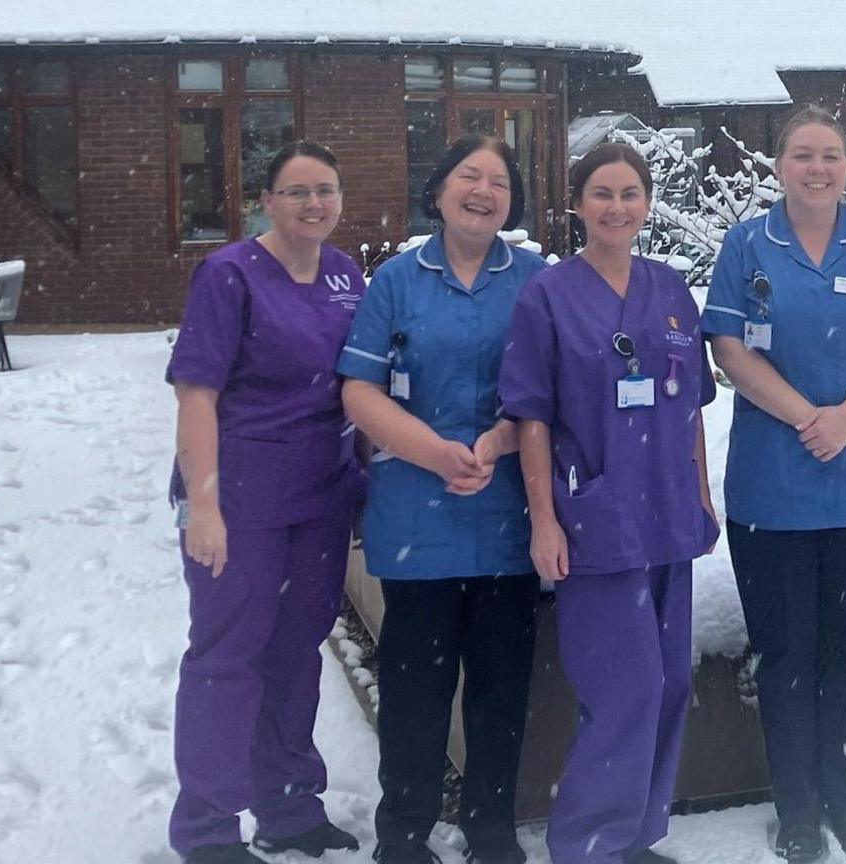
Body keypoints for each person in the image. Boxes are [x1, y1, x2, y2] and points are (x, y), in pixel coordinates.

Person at [701, 107, 846, 862]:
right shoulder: (747, 245)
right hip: (775, 493)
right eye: (803, 155)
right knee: (789, 659)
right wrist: (809, 418)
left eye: (831, 155)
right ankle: (798, 808)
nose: (819, 168)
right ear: (779, 165)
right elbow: (728, 347)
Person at [498, 142, 718, 864]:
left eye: (629, 193)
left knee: (671, 682)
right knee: (625, 689)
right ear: (577, 205)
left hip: (667, 514)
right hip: (594, 516)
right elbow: (531, 416)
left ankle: (634, 834)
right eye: (602, 193)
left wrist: (702, 497)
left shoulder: (671, 289)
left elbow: (693, 410)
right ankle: (590, 843)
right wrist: (543, 521)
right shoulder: (549, 294)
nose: (616, 207)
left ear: (647, 204)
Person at [336, 136, 546, 864]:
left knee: (499, 691)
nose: (483, 190)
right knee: (414, 692)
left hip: (508, 517)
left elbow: (556, 389)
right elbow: (358, 389)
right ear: (439, 190)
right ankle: (404, 833)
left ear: (513, 200)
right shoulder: (396, 279)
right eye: (469, 175)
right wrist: (433, 451)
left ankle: (491, 827)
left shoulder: (534, 277)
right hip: (415, 523)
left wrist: (497, 443)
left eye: (498, 180)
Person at [166, 139, 365, 864]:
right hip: (240, 498)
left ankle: (288, 809)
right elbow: (197, 396)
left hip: (320, 496)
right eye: (299, 191)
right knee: (226, 659)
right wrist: (207, 505)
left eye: (327, 190)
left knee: (293, 656)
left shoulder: (346, 275)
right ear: (268, 201)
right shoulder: (228, 276)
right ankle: (208, 828)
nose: (315, 204)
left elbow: (361, 387)